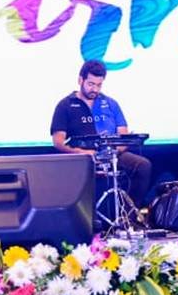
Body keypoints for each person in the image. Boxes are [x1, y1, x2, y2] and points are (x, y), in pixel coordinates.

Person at [50, 60, 152, 207]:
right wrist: (81, 152)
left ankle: (129, 211)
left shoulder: (111, 103)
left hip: (112, 155)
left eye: (99, 85)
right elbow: (58, 142)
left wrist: (112, 152)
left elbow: (123, 134)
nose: (95, 89)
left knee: (143, 166)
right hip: (82, 158)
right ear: (80, 80)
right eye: (91, 84)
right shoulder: (65, 105)